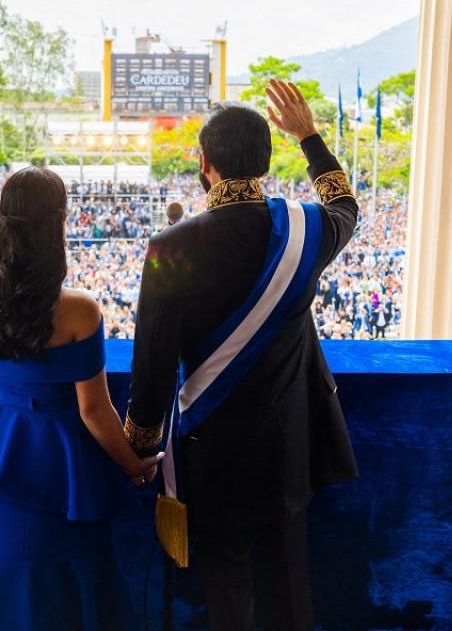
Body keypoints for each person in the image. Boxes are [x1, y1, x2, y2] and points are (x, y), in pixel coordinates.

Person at [123, 80, 360, 631]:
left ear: (203, 162)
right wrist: (311, 138)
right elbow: (345, 204)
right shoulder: (309, 228)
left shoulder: (168, 246)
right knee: (290, 591)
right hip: (289, 443)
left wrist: (138, 445)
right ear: (267, 158)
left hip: (213, 452)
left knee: (227, 598)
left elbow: (152, 363)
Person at [0, 166, 161, 631]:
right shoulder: (78, 310)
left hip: (1, 447)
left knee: (15, 566)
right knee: (68, 576)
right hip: (62, 461)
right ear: (60, 223)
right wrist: (133, 465)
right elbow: (93, 409)